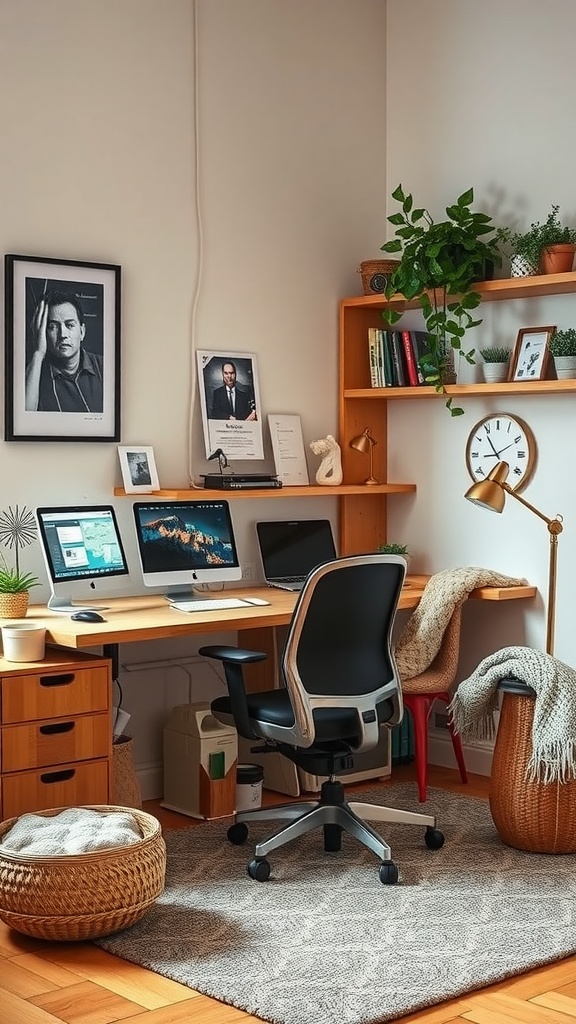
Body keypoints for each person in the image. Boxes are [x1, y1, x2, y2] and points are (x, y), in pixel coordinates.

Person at [25, 290, 103, 413]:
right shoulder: (33, 374)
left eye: (69, 325)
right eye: (53, 327)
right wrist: (38, 353)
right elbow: (23, 420)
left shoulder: (104, 366)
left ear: (82, 332)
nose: (63, 335)